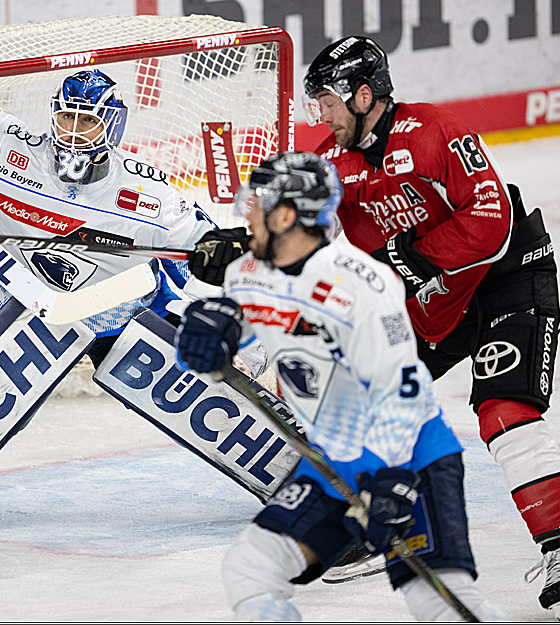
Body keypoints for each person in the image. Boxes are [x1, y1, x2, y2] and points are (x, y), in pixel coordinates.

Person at [301, 35, 560, 621]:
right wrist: (246, 249)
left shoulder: (435, 132)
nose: (322, 116)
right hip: (432, 303)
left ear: (364, 96)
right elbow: (301, 234)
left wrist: (411, 260)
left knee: (504, 412)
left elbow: (491, 218)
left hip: (504, 281)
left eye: (329, 102)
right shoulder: (333, 163)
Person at [174, 152, 505, 622]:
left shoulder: (361, 286)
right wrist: (210, 336)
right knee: (251, 567)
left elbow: (402, 388)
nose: (247, 214)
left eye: (258, 203)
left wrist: (391, 479)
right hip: (335, 462)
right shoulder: (249, 272)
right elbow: (235, 335)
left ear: (285, 217)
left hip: (410, 458)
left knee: (440, 603)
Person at [0, 68, 250, 363]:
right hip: (9, 302)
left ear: (112, 125)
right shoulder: (1, 147)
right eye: (66, 117)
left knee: (202, 380)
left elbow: (206, 257)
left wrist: (230, 316)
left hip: (121, 316)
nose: (74, 131)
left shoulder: (150, 193)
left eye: (88, 120)